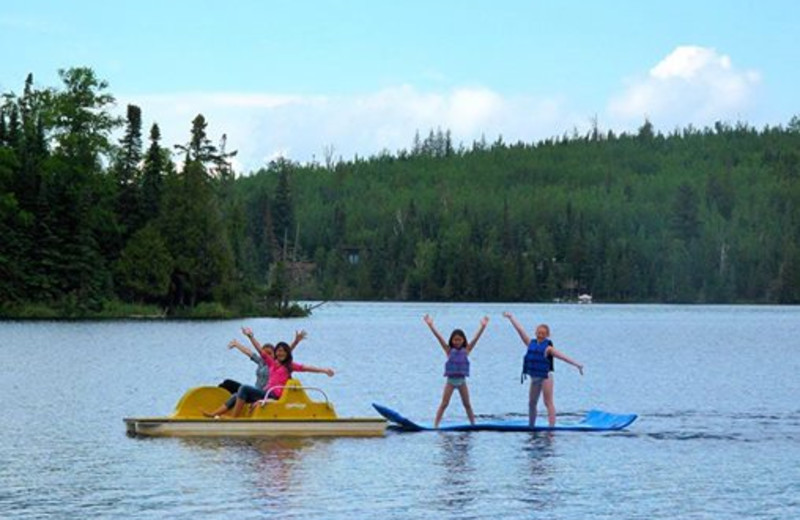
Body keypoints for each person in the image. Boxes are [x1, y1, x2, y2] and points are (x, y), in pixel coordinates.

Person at [502, 312, 584, 427]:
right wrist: (511, 318)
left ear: (547, 335)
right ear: (535, 333)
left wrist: (577, 365)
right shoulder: (530, 343)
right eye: (539, 333)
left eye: (543, 334)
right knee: (531, 403)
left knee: (547, 402)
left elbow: (562, 356)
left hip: (546, 376)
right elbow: (520, 330)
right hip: (535, 377)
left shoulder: (548, 348)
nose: (540, 335)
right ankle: (531, 426)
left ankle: (552, 427)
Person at [202, 329, 307, 418]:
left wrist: (296, 341)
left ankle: (232, 418)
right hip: (257, 391)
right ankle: (214, 414)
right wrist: (237, 344)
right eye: (265, 353)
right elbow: (249, 352)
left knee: (242, 389)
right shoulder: (261, 362)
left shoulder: (277, 364)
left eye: (270, 353)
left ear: (275, 354)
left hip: (266, 393)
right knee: (230, 387)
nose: (266, 355)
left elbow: (287, 351)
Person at [423, 313, 489, 428]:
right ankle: (435, 425)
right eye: (455, 340)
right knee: (444, 404)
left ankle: (473, 424)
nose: (457, 342)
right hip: (450, 381)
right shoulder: (448, 350)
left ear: (463, 341)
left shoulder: (467, 350)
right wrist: (430, 325)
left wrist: (482, 327)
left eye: (459, 340)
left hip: (462, 381)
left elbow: (475, 339)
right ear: (452, 341)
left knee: (467, 404)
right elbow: (439, 338)